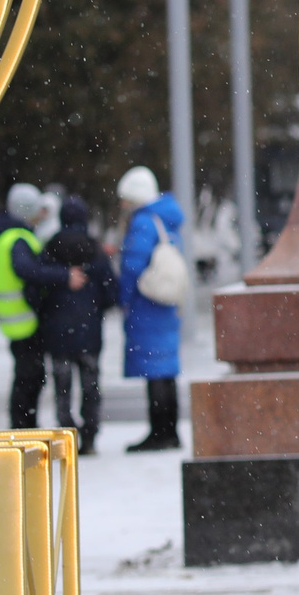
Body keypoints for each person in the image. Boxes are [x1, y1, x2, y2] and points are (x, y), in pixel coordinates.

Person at [13, 196, 116, 452]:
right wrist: (94, 309)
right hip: (89, 332)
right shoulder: (96, 251)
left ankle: (67, 432)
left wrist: (46, 310)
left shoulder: (50, 248)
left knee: (63, 387)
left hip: (57, 332)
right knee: (91, 385)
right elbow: (112, 292)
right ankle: (90, 436)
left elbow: (33, 290)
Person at [114, 166, 184, 452]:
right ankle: (170, 430)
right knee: (165, 370)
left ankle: (159, 432)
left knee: (154, 370)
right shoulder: (167, 218)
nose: (123, 205)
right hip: (166, 305)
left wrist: (123, 298)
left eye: (125, 199)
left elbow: (132, 266)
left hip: (147, 305)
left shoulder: (143, 222)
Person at [0, 183, 49, 429]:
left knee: (27, 376)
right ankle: (23, 427)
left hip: (14, 319)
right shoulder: (18, 239)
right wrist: (61, 276)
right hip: (25, 319)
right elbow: (27, 271)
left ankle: (23, 426)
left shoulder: (5, 237)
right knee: (29, 377)